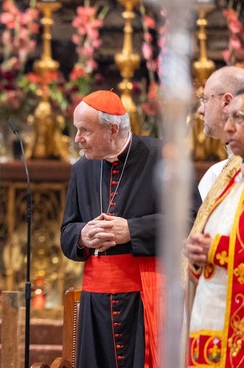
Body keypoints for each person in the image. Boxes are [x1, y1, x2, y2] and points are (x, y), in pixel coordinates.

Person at [60, 90, 201, 367]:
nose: (78, 139)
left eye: (85, 130)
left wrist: (132, 230)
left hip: (145, 297)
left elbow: (190, 219)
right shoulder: (81, 169)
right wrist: (81, 235)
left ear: (112, 130)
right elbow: (67, 231)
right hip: (94, 304)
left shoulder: (164, 157)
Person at [185, 88, 244, 366]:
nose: (229, 127)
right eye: (229, 117)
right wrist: (196, 253)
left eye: (240, 118)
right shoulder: (229, 176)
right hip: (215, 329)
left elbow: (223, 245)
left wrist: (218, 250)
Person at [197, 66, 244, 199]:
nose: (200, 110)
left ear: (227, 102)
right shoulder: (218, 173)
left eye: (205, 99)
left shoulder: (216, 175)